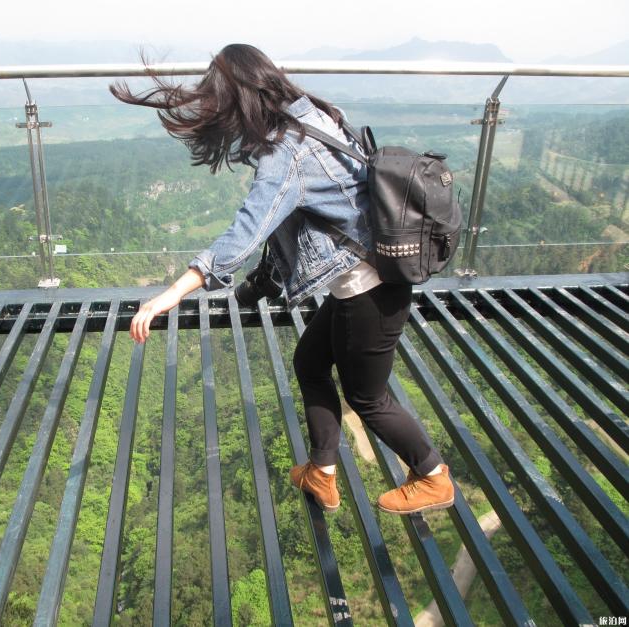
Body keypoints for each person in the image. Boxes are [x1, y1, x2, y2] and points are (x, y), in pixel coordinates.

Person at [113, 44, 454, 515]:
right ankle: (322, 472)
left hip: (369, 289)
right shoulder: (311, 113)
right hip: (360, 277)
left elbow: (245, 233)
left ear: (239, 98)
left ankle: (433, 475)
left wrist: (170, 294)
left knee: (368, 397)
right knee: (310, 363)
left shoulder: (284, 153)